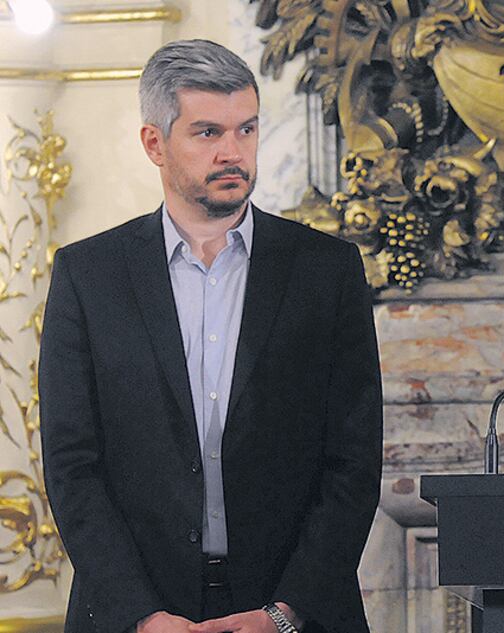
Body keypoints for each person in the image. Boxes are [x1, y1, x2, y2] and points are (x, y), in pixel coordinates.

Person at [39, 40, 382, 633]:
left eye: (246, 130)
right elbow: (73, 468)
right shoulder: (87, 275)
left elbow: (353, 460)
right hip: (134, 613)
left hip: (291, 612)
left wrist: (285, 613)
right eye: (207, 133)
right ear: (154, 143)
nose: (234, 153)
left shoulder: (327, 269)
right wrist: (143, 617)